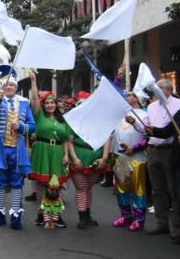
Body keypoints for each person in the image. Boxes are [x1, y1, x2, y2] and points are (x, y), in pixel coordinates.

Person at [0, 75, 35, 230]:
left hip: (17, 148)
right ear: (2, 87)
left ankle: (16, 213)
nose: (9, 88)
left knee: (17, 180)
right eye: (6, 85)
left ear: (16, 87)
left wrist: (21, 126)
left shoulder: (25, 103)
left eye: (12, 85)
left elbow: (32, 126)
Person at [28, 71, 72, 227]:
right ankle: (42, 214)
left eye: (52, 102)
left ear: (56, 104)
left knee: (57, 184)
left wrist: (66, 155)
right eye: (47, 103)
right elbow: (34, 98)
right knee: (41, 185)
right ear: (43, 104)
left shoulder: (62, 120)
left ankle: (56, 215)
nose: (50, 105)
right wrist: (33, 81)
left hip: (58, 152)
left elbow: (66, 139)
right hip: (42, 151)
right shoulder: (39, 115)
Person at [142, 79, 180, 237]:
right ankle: (162, 223)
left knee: (174, 190)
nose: (156, 91)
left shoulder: (178, 105)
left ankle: (176, 229)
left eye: (160, 88)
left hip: (170, 152)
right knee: (158, 190)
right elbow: (163, 131)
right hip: (153, 149)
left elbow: (170, 132)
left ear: (168, 90)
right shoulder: (151, 106)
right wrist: (146, 129)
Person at [67, 91, 111, 229]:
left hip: (96, 158)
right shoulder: (73, 121)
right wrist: (74, 158)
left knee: (88, 188)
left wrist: (104, 158)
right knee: (81, 188)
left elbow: (107, 138)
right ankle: (82, 216)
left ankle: (87, 215)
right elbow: (69, 141)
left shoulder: (100, 121)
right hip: (79, 156)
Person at [111, 92, 149, 231]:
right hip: (119, 156)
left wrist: (135, 147)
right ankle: (126, 215)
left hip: (137, 157)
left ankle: (139, 219)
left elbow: (149, 136)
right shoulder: (120, 114)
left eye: (130, 95)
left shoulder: (145, 115)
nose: (126, 97)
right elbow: (112, 93)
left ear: (137, 98)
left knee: (138, 189)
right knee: (122, 189)